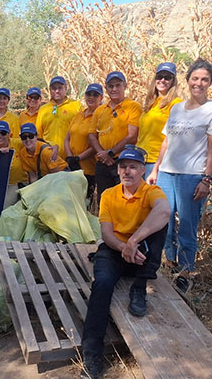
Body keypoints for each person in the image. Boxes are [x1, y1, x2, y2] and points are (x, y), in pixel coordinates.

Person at [80, 145, 170, 379]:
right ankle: (91, 355)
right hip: (114, 250)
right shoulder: (109, 194)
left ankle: (139, 287)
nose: (127, 171)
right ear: (118, 170)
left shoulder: (152, 192)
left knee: (162, 226)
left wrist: (134, 241)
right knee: (102, 285)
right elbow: (107, 233)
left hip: (139, 253)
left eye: (133, 166)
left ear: (142, 170)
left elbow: (164, 211)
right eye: (123, 166)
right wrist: (124, 247)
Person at [147, 59, 212, 294]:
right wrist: (156, 168)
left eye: (204, 80)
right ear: (188, 80)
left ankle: (186, 271)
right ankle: (170, 263)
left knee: (187, 227)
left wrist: (206, 179)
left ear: (210, 82)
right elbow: (167, 141)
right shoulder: (177, 108)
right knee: (165, 222)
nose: (199, 83)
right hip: (167, 174)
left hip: (192, 176)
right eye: (195, 78)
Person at [88, 71, 141, 203]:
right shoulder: (100, 110)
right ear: (106, 88)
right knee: (104, 200)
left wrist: (110, 153)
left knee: (124, 200)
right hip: (103, 163)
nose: (114, 89)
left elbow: (132, 136)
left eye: (118, 85)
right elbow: (92, 135)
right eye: (111, 86)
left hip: (123, 162)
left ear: (125, 86)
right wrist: (102, 153)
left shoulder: (133, 107)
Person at [137, 62, 183, 179]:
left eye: (167, 77)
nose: (162, 80)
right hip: (141, 158)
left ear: (173, 81)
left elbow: (174, 138)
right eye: (159, 76)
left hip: (157, 161)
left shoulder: (175, 103)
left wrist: (156, 167)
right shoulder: (151, 102)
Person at [64, 83, 102, 201]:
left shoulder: (101, 116)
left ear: (101, 98)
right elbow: (67, 138)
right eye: (88, 94)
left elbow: (97, 144)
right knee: (71, 201)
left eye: (95, 95)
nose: (91, 97)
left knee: (85, 202)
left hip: (88, 168)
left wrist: (78, 158)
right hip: (72, 166)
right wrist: (70, 157)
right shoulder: (78, 115)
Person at [36, 76, 82, 154]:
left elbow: (82, 131)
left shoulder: (76, 105)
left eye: (60, 88)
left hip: (71, 155)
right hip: (49, 156)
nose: (57, 91)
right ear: (50, 90)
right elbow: (38, 135)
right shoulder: (43, 109)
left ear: (66, 88)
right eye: (54, 88)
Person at [0, 121, 27, 208]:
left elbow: (34, 142)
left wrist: (53, 146)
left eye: (3, 133)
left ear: (9, 133)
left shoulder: (17, 143)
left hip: (17, 183)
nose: (0, 136)